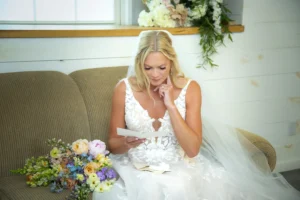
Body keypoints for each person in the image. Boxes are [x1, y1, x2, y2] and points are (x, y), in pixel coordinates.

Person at [93, 30, 300, 200]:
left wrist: (172, 107)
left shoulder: (190, 89)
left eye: (161, 67)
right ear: (139, 63)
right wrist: (126, 143)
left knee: (178, 188)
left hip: (178, 169)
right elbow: (113, 143)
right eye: (148, 68)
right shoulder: (123, 88)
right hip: (136, 170)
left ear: (172, 62)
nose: (155, 74)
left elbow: (192, 149)